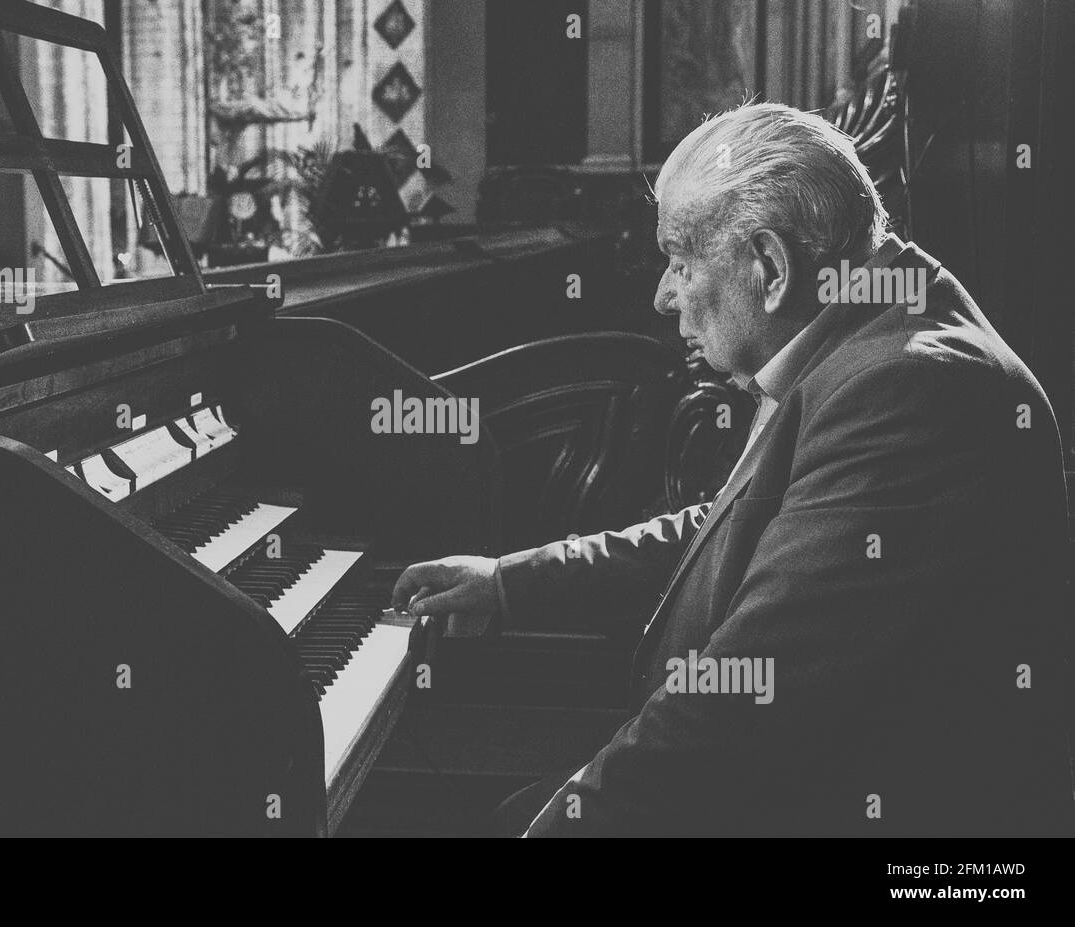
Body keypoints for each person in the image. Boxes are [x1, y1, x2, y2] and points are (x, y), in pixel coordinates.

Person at [391, 102, 1073, 837]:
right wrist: (509, 582)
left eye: (681, 263)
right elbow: (729, 523)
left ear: (770, 267)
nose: (662, 294)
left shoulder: (908, 387)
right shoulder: (852, 333)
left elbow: (748, 702)